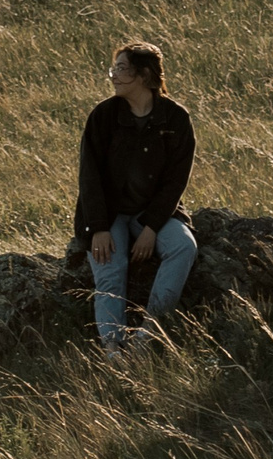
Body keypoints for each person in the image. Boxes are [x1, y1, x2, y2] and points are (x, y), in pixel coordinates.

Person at [75, 40, 198, 351]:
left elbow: (175, 181)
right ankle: (113, 349)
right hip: (108, 214)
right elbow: (89, 177)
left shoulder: (175, 118)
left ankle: (148, 335)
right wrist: (99, 227)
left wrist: (152, 228)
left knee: (183, 247)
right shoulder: (103, 116)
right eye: (113, 69)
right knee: (111, 270)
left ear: (144, 75)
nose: (114, 76)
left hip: (153, 213)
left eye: (121, 69)